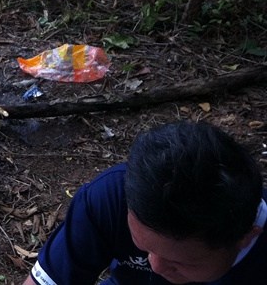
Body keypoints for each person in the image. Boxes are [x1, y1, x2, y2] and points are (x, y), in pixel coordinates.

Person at [23, 121, 266, 284]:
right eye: (144, 248)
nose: (156, 266)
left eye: (180, 263)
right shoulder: (113, 198)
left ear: (246, 237)